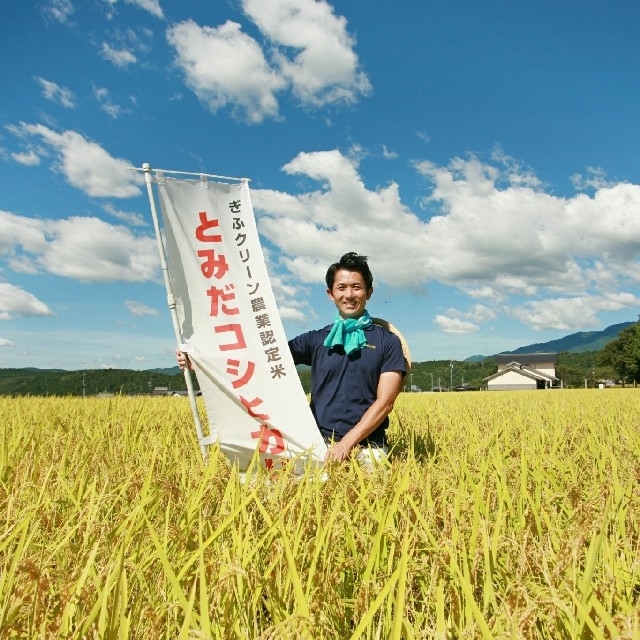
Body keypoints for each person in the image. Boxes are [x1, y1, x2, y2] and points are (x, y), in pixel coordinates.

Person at [178, 252, 407, 464]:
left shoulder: (387, 341)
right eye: (342, 287)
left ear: (369, 291)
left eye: (357, 287)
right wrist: (201, 361)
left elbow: (385, 402)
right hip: (319, 443)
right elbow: (261, 359)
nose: (349, 295)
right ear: (331, 294)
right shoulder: (317, 339)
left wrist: (346, 444)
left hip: (369, 446)